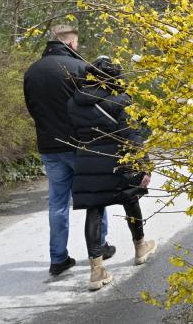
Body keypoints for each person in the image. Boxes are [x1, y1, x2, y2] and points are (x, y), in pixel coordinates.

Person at [24, 25, 115, 276]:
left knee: (57, 204)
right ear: (72, 44)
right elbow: (93, 107)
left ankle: (58, 258)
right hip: (79, 144)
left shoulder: (32, 72)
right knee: (94, 196)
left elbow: (32, 109)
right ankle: (100, 247)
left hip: (49, 146)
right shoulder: (77, 68)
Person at [67, 56, 157, 291]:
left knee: (94, 210)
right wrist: (145, 166)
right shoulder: (121, 99)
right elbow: (133, 136)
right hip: (118, 161)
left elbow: (73, 133)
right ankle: (140, 247)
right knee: (130, 200)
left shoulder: (73, 102)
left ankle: (96, 270)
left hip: (87, 161)